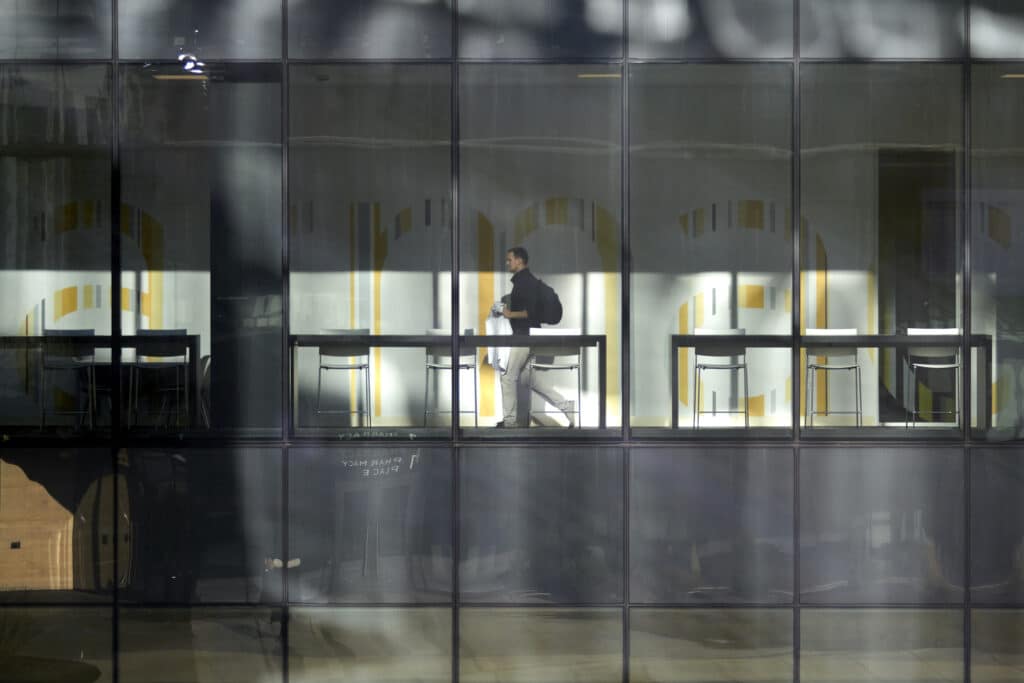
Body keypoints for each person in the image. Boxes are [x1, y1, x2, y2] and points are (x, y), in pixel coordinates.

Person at [496, 247, 576, 428]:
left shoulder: (525, 282)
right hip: (528, 336)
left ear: (519, 261)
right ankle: (567, 407)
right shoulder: (523, 282)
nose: (507, 263)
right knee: (527, 378)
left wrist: (509, 314)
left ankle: (509, 422)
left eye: (510, 260)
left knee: (507, 377)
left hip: (524, 336)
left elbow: (529, 312)